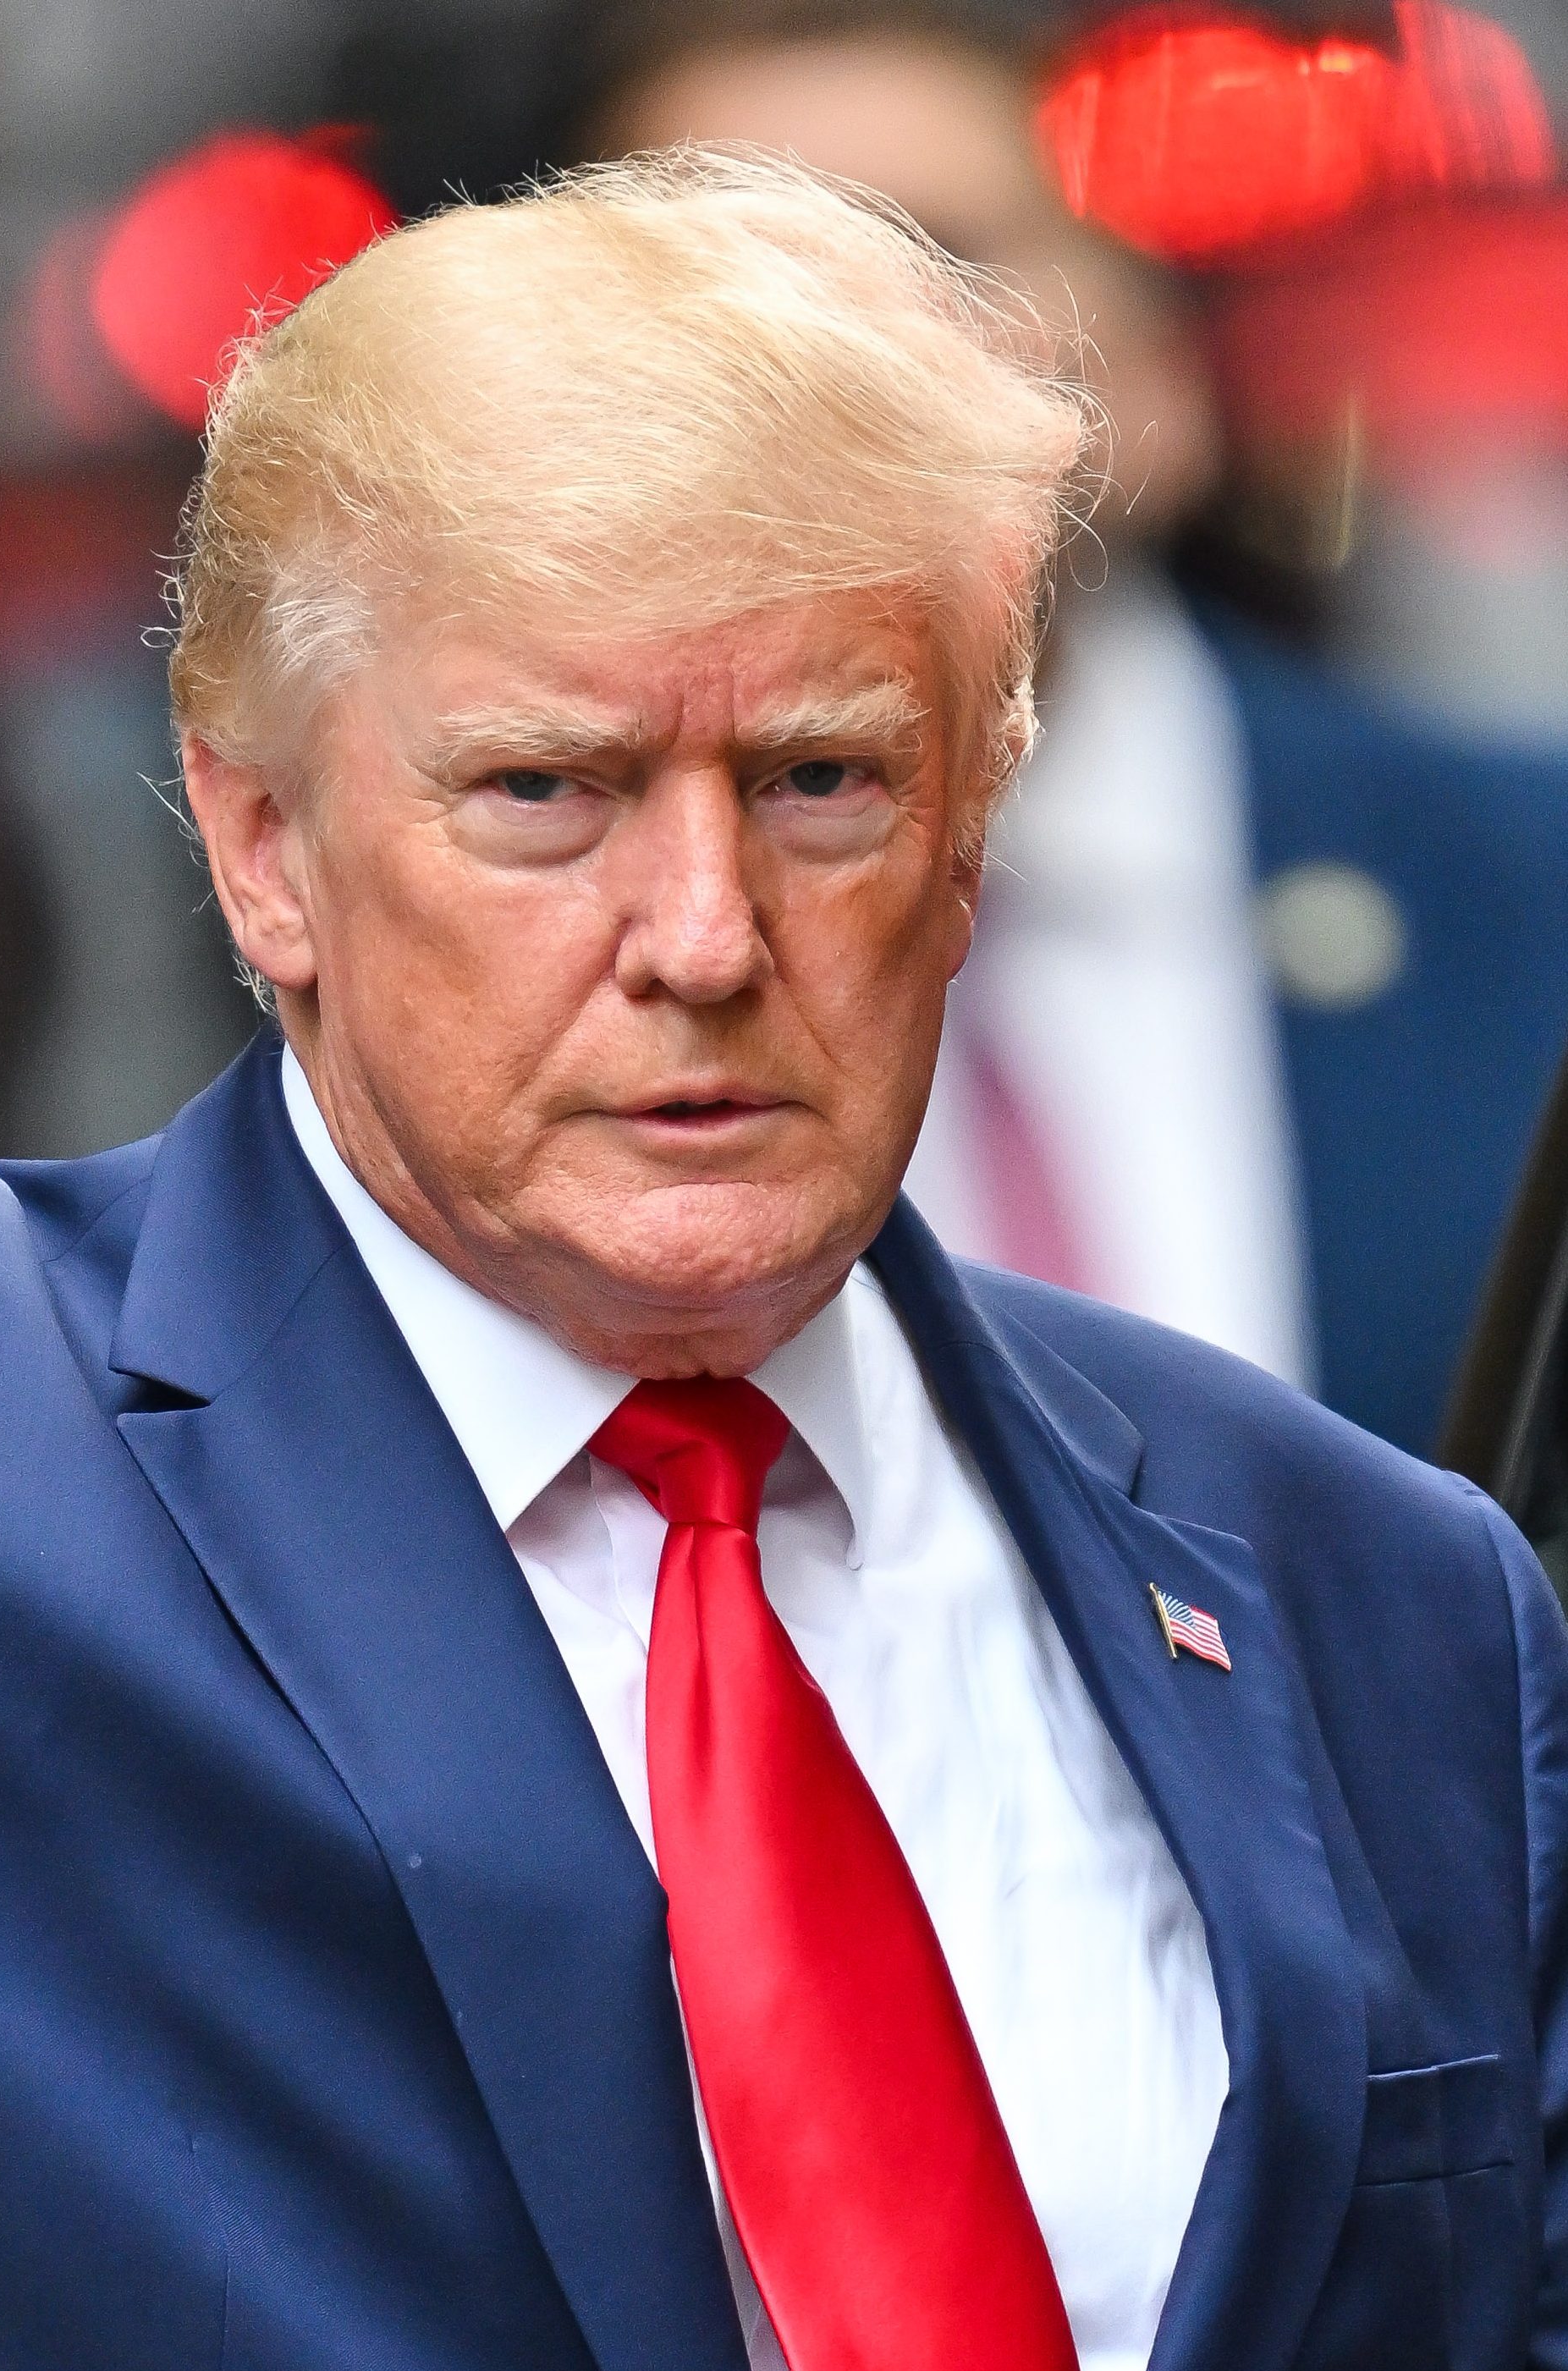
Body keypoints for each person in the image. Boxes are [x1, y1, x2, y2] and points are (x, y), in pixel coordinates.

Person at [0, 151, 1563, 2371]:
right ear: (261, 849)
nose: (705, 933)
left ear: (973, 829)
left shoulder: (1380, 1595)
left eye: (822, 781)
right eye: (544, 792)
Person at [578, 0, 1568, 1458]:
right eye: (706, 283)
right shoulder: (443, 938)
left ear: (1158, 375)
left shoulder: (1533, 889)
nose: (817, 351)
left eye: (932, 255)